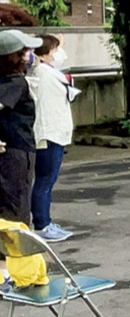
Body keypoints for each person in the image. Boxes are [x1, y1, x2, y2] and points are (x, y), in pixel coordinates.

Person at [0, 30, 40, 288]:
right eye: (24, 52)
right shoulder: (15, 82)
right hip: (15, 153)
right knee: (14, 212)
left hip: (10, 151)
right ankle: (10, 271)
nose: (29, 56)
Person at [31, 35, 77, 242]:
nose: (58, 54)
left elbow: (59, 65)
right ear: (43, 54)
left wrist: (59, 45)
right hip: (48, 133)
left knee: (47, 180)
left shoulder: (48, 71)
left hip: (55, 132)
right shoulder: (40, 72)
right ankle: (42, 224)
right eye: (55, 50)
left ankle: (45, 221)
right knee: (45, 180)